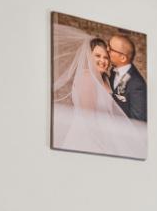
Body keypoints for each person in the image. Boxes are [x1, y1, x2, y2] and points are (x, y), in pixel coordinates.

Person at [51, 26, 145, 157]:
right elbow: (89, 119)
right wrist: (105, 144)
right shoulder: (86, 78)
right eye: (97, 56)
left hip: (106, 139)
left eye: (106, 57)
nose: (103, 61)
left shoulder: (105, 78)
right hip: (88, 139)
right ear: (88, 57)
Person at [106, 33, 147, 123]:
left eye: (111, 49)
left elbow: (138, 123)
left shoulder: (137, 85)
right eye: (108, 45)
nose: (107, 49)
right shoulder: (113, 72)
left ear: (123, 58)